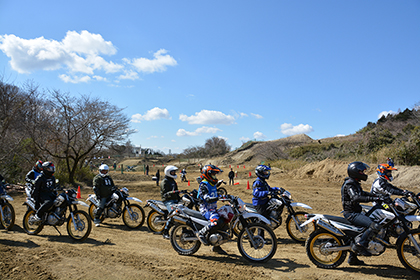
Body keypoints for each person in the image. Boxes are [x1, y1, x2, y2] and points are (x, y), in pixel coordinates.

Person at [341, 161, 385, 265]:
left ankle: (353, 258)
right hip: (351, 214)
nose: (364, 174)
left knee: (359, 233)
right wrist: (371, 198)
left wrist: (376, 196)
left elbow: (362, 193)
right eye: (362, 172)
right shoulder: (350, 184)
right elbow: (356, 197)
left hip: (357, 212)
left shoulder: (354, 182)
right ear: (355, 172)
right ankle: (360, 245)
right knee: (374, 225)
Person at [197, 164, 227, 254]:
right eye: (213, 174)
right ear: (208, 174)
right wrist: (218, 198)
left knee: (224, 221)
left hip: (213, 208)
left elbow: (215, 194)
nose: (214, 176)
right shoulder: (204, 185)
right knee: (215, 221)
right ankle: (201, 233)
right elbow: (207, 198)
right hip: (205, 209)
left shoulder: (212, 184)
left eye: (215, 175)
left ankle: (216, 246)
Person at [160, 165, 180, 239]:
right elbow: (165, 193)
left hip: (175, 200)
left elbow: (176, 191)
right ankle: (165, 232)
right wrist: (173, 192)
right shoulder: (164, 181)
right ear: (168, 172)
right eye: (172, 172)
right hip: (168, 201)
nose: (174, 173)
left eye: (174, 172)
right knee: (173, 214)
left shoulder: (172, 181)